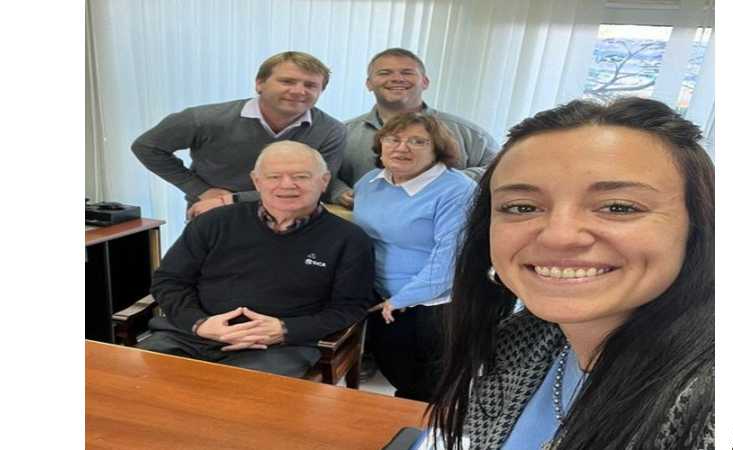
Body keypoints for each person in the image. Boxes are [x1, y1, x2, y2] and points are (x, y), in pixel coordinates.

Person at [426, 98, 715, 449]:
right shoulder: (520, 341)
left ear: (698, 227)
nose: (559, 237)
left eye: (619, 207)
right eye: (521, 207)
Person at [138, 142, 375, 377]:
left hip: (278, 347)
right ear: (256, 181)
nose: (287, 184)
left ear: (324, 181)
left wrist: (285, 329)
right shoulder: (212, 222)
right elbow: (169, 281)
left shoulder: (349, 239)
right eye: (274, 176)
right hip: (191, 336)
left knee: (243, 396)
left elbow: (350, 307)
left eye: (301, 176)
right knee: (136, 381)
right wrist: (200, 323)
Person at [131, 51, 346, 218]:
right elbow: (147, 147)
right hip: (214, 216)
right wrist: (200, 190)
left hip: (290, 221)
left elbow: (319, 186)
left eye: (310, 85)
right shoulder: (204, 119)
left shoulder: (330, 131)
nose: (299, 91)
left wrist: (232, 199)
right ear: (259, 83)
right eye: (287, 81)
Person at [353, 112, 476, 401]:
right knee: (397, 373)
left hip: (431, 304)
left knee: (429, 389)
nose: (402, 148)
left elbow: (450, 258)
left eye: (418, 141)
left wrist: (401, 299)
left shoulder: (458, 190)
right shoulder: (370, 182)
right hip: (380, 296)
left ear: (437, 150)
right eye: (393, 139)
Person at [330, 48, 497, 209]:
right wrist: (338, 192)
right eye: (385, 73)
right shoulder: (342, 132)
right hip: (360, 223)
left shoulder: (468, 133)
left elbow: (498, 170)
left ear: (425, 82)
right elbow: (325, 172)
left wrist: (448, 182)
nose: (397, 78)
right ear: (369, 84)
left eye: (407, 72)